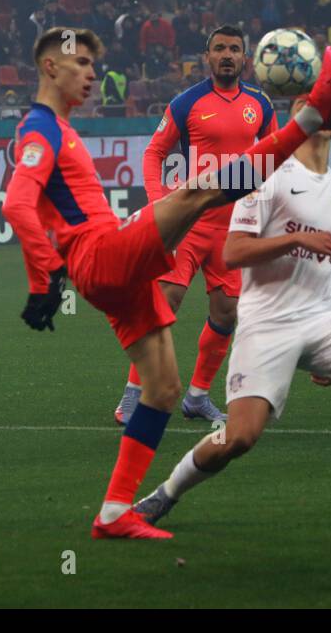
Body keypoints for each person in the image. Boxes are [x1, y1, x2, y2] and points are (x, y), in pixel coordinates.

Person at [3, 28, 331, 539]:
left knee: (162, 390)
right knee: (200, 193)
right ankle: (310, 120)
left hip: (106, 272)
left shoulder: (61, 128)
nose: (93, 73)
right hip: (99, 253)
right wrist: (42, 278)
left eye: (95, 64)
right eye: (82, 64)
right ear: (50, 68)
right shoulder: (41, 129)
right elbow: (14, 202)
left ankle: (115, 514)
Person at [134, 96, 331, 529]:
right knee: (240, 438)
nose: (322, 112)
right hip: (267, 324)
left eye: (329, 107)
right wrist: (294, 241)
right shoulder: (266, 178)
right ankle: (164, 494)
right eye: (312, 104)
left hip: (324, 320)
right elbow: (233, 251)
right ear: (296, 117)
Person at [112, 26, 276, 426]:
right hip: (189, 223)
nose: (227, 55)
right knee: (164, 302)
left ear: (245, 59)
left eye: (234, 49)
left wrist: (269, 203)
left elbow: (274, 156)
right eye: (219, 48)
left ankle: (198, 397)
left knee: (227, 312)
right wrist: (159, 202)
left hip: (234, 226)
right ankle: (134, 395)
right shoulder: (187, 103)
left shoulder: (262, 105)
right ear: (206, 57)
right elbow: (154, 153)